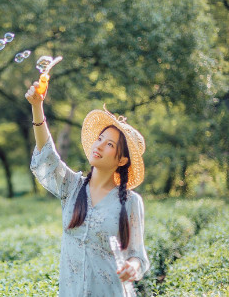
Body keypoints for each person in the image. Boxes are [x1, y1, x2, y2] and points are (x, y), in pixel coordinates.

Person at [25, 81, 150, 296]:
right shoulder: (72, 187)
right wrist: (37, 106)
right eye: (100, 139)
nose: (99, 145)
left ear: (121, 160)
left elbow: (137, 255)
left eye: (110, 144)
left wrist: (133, 267)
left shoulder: (130, 202)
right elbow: (48, 156)